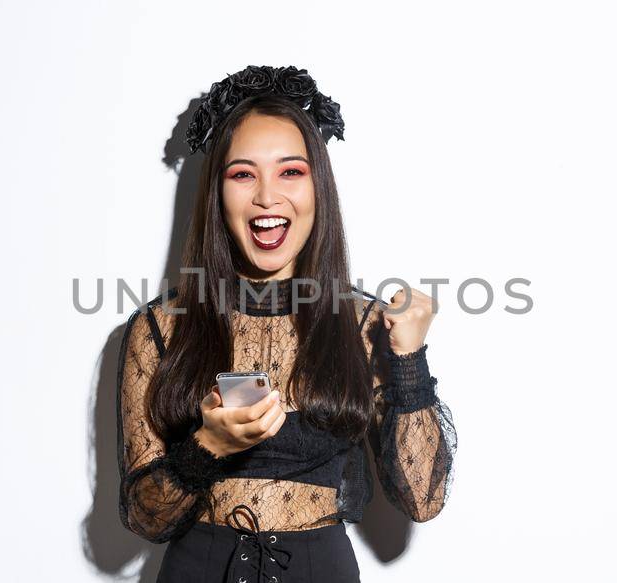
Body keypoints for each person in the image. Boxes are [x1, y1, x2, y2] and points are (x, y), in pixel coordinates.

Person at [116, 65, 456, 583]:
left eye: (290, 172)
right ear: (217, 194)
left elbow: (423, 500)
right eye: (243, 173)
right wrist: (207, 449)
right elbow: (143, 517)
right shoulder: (161, 327)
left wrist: (408, 360)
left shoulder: (366, 324)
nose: (267, 198)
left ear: (318, 188)